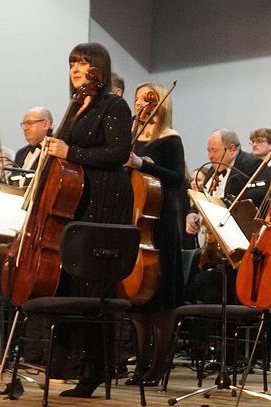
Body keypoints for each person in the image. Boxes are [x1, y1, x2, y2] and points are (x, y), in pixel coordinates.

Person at [38, 43, 133, 398]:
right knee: (72, 285)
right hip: (77, 201)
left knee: (93, 287)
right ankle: (69, 366)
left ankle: (95, 371)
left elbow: (118, 152)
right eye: (72, 63)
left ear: (99, 69)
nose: (76, 68)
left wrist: (70, 151)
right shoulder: (76, 106)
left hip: (104, 201)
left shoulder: (114, 105)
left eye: (83, 62)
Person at [124, 82, 187, 386]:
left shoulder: (170, 139)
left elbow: (176, 179)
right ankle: (140, 364)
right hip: (136, 219)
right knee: (138, 298)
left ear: (160, 103)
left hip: (161, 223)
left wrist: (144, 165)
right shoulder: (133, 138)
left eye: (146, 99)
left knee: (161, 299)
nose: (140, 104)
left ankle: (159, 365)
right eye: (137, 99)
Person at [186, 128, 269, 304]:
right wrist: (192, 214)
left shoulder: (252, 164)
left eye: (214, 150)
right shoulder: (212, 170)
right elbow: (201, 197)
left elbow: (258, 195)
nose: (210, 156)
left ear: (231, 149)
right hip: (210, 249)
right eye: (208, 151)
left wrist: (222, 204)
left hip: (238, 245)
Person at [13, 106, 53, 186]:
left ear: (45, 124)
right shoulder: (20, 153)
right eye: (24, 124)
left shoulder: (54, 150)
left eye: (30, 123)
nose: (25, 128)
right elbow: (13, 182)